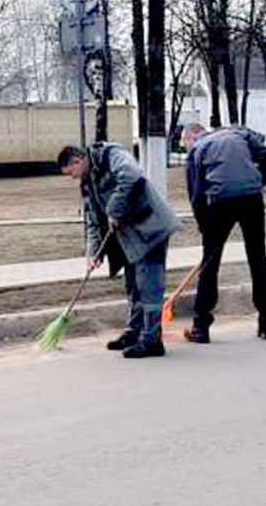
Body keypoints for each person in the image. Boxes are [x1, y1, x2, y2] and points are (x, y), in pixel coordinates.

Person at [58, 143, 182, 358]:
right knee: (133, 284)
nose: (73, 178)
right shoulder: (87, 183)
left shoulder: (111, 155)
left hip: (150, 228)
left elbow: (132, 175)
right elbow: (93, 220)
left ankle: (151, 339)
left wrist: (114, 209)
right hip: (130, 238)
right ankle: (134, 332)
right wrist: (95, 253)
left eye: (72, 173)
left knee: (149, 285)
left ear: (78, 161)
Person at [182, 123, 266, 343]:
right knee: (258, 258)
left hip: (219, 201)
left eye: (184, 144)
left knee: (210, 265)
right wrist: (257, 182)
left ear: (190, 138)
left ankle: (201, 326)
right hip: (252, 199)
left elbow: (196, 194)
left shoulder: (198, 149)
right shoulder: (240, 134)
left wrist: (203, 226)